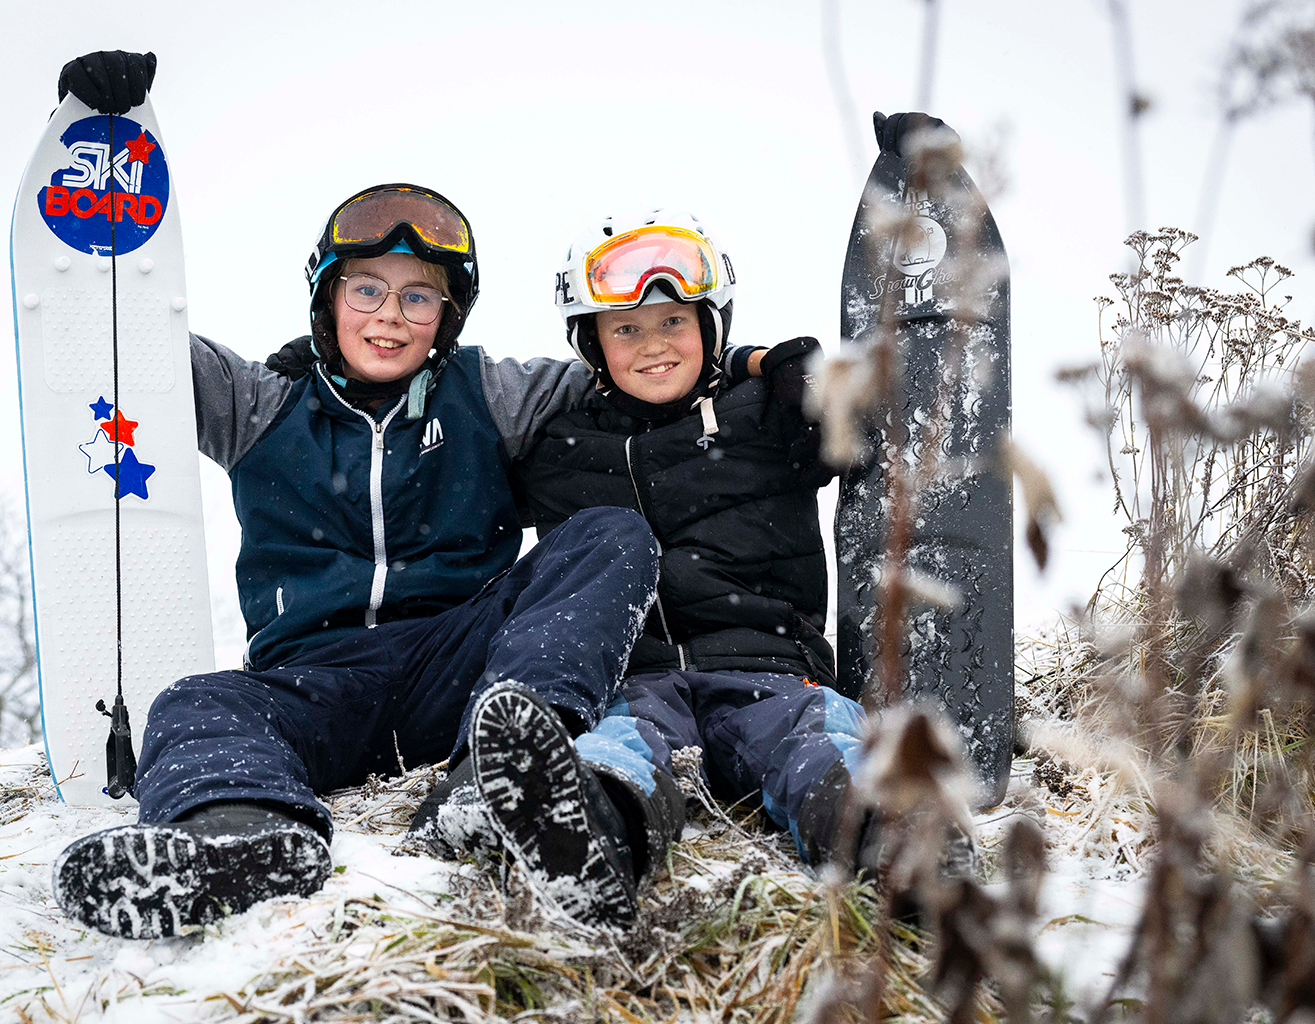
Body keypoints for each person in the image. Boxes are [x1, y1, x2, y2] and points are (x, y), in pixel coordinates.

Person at [45, 52, 670, 940]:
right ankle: (244, 834)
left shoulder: (491, 392)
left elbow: (633, 365)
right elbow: (128, 335)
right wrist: (101, 146)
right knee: (192, 699)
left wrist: (759, 370)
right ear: (327, 299)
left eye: (420, 298)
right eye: (367, 288)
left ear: (447, 319)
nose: (389, 315)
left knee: (610, 535)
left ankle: (502, 782)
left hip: (466, 666)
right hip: (317, 682)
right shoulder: (262, 402)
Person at [417, 210, 878, 929]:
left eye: (672, 322)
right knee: (612, 748)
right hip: (636, 677)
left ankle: (894, 845)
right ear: (591, 344)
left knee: (816, 742)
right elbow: (438, 433)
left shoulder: (761, 415)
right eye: (625, 328)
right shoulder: (559, 445)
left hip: (771, 668)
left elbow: (858, 432)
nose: (653, 345)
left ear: (710, 326)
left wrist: (791, 369)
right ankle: (592, 844)